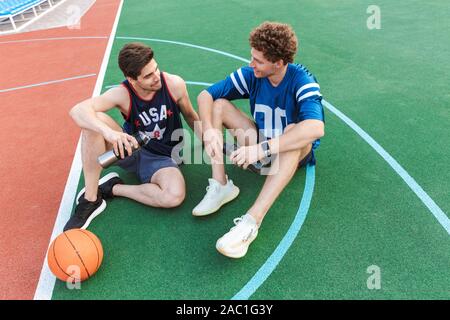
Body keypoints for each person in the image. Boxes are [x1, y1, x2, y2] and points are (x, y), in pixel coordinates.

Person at [194, 22, 325, 258]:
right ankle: (221, 185)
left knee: (295, 131)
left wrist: (261, 149)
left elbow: (316, 127)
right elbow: (205, 95)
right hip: (260, 145)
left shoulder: (302, 80)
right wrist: (209, 130)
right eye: (252, 56)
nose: (251, 63)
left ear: (279, 62)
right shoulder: (252, 75)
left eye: (258, 60)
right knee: (219, 106)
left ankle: (250, 223)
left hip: (288, 153)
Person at [64, 42, 200, 231]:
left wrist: (210, 140)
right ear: (132, 79)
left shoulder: (173, 84)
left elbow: (191, 116)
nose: (156, 77)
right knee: (93, 125)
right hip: (130, 147)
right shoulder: (123, 93)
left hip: (161, 159)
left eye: (156, 69)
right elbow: (78, 110)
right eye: (148, 76)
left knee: (174, 196)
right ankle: (90, 198)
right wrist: (110, 134)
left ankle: (112, 188)